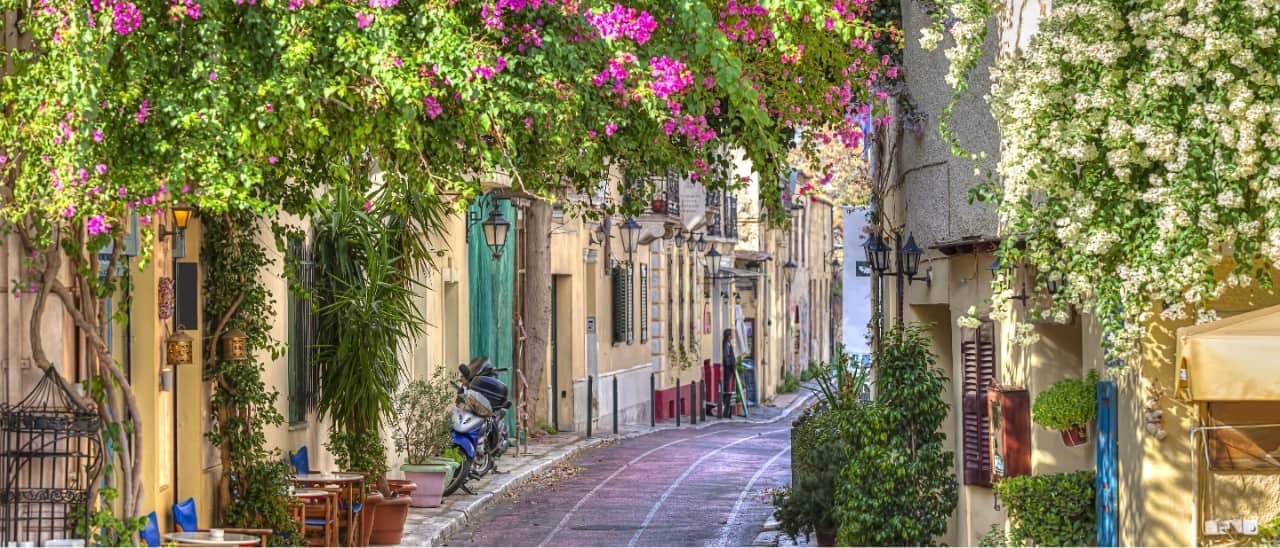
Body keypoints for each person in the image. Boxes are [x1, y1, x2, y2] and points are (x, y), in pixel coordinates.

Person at [720, 329, 736, 418]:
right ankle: (726, 403)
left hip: (730, 366)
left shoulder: (728, 343)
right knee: (726, 384)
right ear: (728, 335)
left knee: (728, 383)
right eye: (731, 334)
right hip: (728, 367)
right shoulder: (726, 343)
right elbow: (726, 356)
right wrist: (729, 365)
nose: (733, 335)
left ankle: (727, 402)